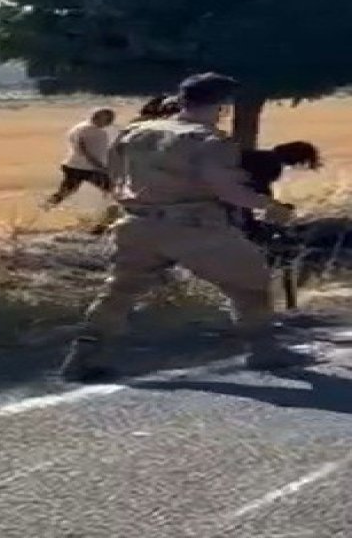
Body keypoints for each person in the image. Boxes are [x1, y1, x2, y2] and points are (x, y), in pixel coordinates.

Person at [60, 73, 318, 382]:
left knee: (120, 292)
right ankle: (264, 350)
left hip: (137, 224)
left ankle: (84, 357)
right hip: (196, 229)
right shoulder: (207, 140)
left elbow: (115, 177)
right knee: (251, 282)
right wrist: (271, 208)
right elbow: (226, 189)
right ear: (221, 106)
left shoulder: (136, 131)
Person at [236, 141, 323, 242]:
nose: (298, 165)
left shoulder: (264, 156)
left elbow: (257, 189)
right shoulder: (272, 163)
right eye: (302, 161)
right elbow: (258, 187)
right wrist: (276, 206)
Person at [44, 108, 117, 210]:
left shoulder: (80, 127)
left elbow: (76, 144)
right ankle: (111, 212)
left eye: (111, 119)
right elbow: (82, 148)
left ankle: (43, 208)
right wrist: (98, 165)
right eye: (108, 119)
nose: (110, 122)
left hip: (74, 165)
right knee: (112, 189)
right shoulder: (90, 129)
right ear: (98, 117)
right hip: (85, 168)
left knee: (64, 193)